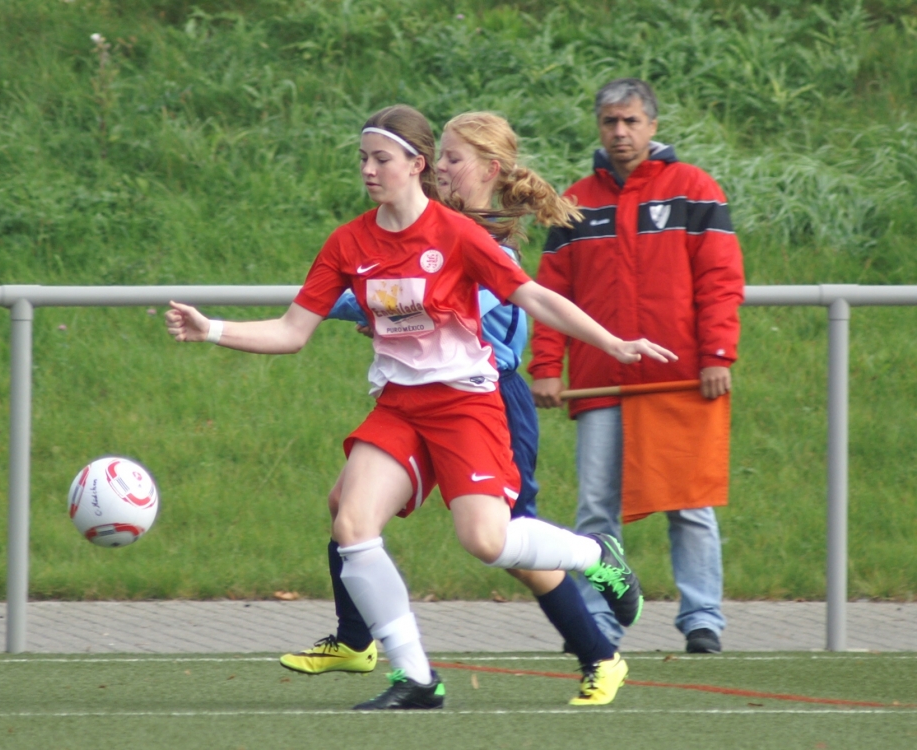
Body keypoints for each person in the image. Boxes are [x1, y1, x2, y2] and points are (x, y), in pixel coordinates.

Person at [166, 104, 676, 710]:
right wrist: (212, 329)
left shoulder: (457, 234)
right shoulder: (349, 242)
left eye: (381, 158)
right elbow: (292, 331)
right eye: (363, 159)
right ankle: (415, 678)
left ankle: (596, 555)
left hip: (465, 403)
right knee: (351, 522)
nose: (369, 170)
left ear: (417, 164)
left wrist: (614, 342)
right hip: (401, 406)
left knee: (487, 542)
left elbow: (535, 298)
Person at [279, 112, 628, 706]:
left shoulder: (472, 237)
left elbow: (487, 316)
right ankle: (361, 640)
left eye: (452, 159)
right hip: (419, 396)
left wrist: (375, 311)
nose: (441, 167)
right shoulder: (416, 223)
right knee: (348, 505)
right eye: (437, 156)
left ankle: (600, 648)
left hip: (487, 395)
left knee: (504, 542)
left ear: (490, 170)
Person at [530, 79, 745, 654]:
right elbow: (551, 294)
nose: (620, 132)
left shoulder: (695, 190)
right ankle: (599, 621)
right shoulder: (573, 203)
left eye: (630, 122)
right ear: (598, 128)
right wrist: (545, 366)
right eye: (609, 122)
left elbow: (721, 281)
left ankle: (703, 620)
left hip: (680, 378)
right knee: (596, 507)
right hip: (602, 381)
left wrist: (718, 354)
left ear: (652, 126)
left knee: (689, 502)